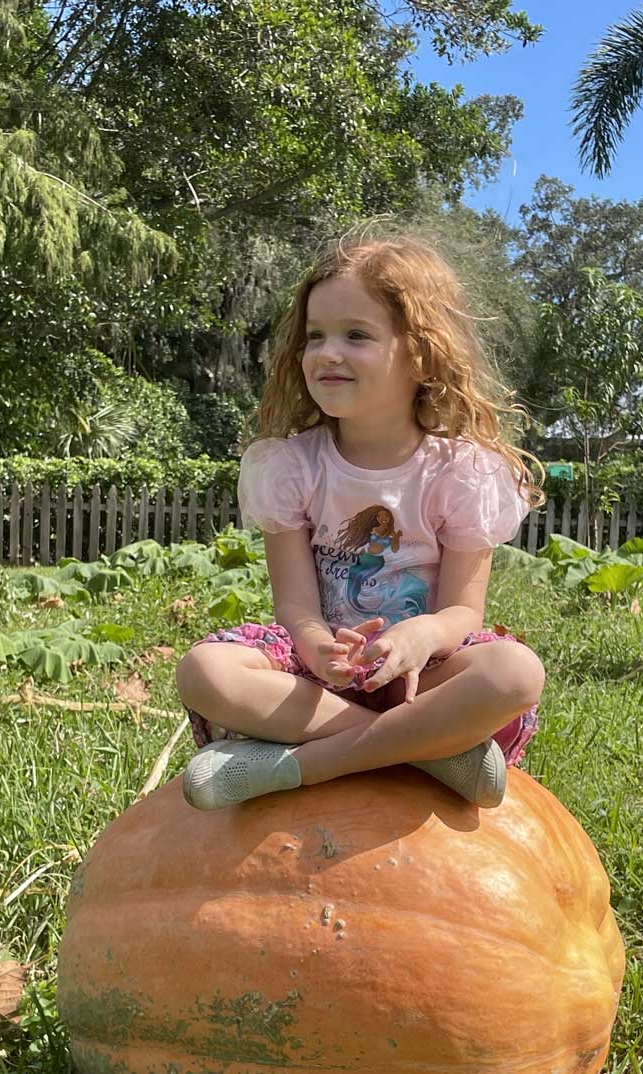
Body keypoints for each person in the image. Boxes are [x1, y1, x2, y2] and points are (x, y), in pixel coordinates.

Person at [175, 226, 547, 812]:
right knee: (204, 669)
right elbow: (294, 602)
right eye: (315, 335)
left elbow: (462, 611)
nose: (327, 352)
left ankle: (303, 766)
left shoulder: (463, 471)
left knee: (514, 672)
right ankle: (430, 752)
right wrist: (316, 642)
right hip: (321, 677)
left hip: (426, 674)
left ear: (421, 355)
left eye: (356, 335)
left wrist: (419, 635)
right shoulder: (291, 465)